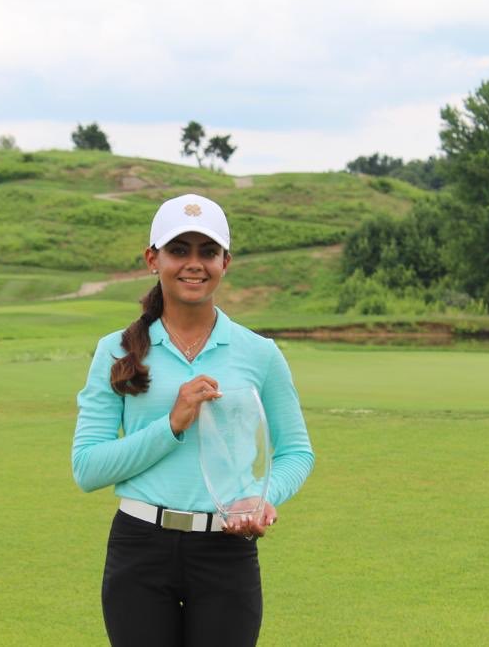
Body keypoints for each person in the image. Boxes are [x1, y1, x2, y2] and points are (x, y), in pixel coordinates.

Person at [72, 193, 314, 647]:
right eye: (178, 250)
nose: (193, 264)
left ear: (226, 261)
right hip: (140, 547)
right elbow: (88, 468)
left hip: (226, 549)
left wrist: (261, 499)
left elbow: (297, 451)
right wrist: (171, 424)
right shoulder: (116, 350)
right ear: (152, 259)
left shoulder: (259, 353)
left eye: (207, 252)